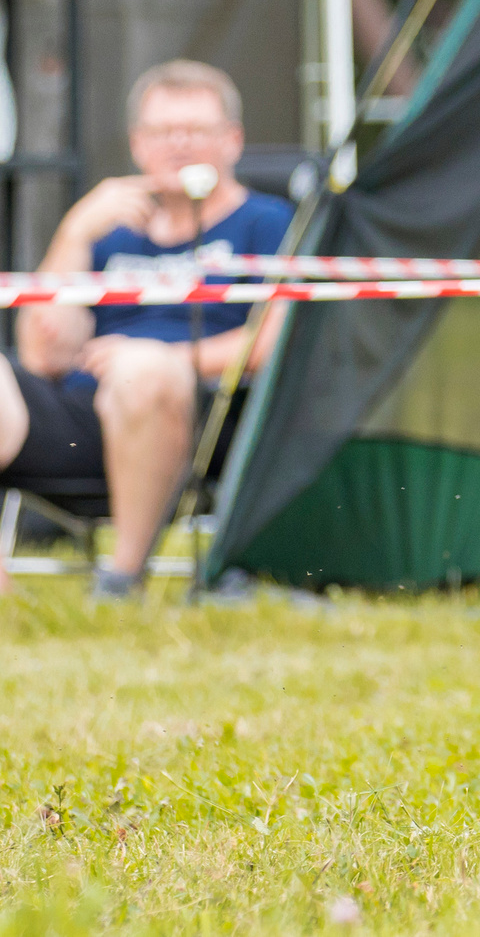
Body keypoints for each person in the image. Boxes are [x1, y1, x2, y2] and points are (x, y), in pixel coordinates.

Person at [0, 60, 292, 598]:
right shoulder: (110, 230)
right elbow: (42, 355)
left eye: (196, 130)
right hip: (82, 421)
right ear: (137, 144)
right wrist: (75, 230)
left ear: (233, 140)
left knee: (142, 371)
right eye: (162, 131)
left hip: (197, 420)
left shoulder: (270, 222)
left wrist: (158, 355)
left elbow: (274, 344)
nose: (178, 144)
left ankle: (121, 579)